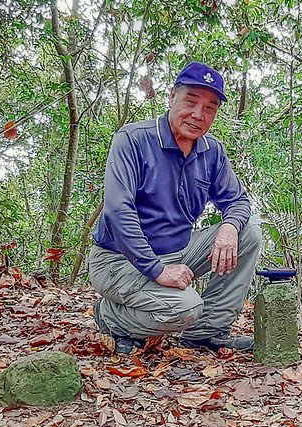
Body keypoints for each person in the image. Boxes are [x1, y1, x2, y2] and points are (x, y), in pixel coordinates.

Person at [89, 61, 261, 355]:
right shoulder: (133, 140)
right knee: (186, 308)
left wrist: (230, 227)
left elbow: (237, 201)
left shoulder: (212, 151)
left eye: (210, 108)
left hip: (177, 252)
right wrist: (156, 270)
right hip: (119, 260)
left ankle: (206, 333)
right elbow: (118, 211)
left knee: (249, 233)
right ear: (171, 97)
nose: (198, 115)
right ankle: (110, 316)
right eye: (191, 101)